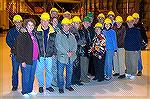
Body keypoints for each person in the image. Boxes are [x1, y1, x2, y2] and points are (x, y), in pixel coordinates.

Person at [16, 18, 38, 97]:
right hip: (26, 60)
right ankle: (24, 91)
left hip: (34, 59)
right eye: (29, 25)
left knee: (32, 76)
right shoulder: (22, 35)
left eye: (32, 25)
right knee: (26, 76)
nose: (31, 26)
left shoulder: (33, 34)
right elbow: (19, 50)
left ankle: (30, 90)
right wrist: (22, 61)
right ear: (25, 25)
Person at [55, 18, 77, 93]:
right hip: (62, 57)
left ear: (70, 26)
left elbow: (75, 45)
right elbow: (58, 45)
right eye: (65, 25)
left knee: (69, 72)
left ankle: (68, 85)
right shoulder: (59, 35)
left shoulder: (72, 35)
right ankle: (61, 87)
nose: (66, 27)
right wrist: (66, 52)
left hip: (71, 57)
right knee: (60, 73)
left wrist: (72, 52)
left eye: (68, 25)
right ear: (62, 26)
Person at [36, 12, 56, 93]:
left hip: (49, 55)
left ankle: (48, 85)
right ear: (40, 21)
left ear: (49, 21)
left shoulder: (53, 32)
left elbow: (55, 43)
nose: (44, 22)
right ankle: (41, 85)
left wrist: (54, 53)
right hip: (40, 55)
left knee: (49, 71)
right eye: (43, 20)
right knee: (39, 71)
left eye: (46, 20)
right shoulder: (36, 31)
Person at [6, 15, 23, 91]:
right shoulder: (11, 31)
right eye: (16, 22)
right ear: (14, 23)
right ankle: (15, 85)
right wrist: (13, 47)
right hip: (15, 54)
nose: (18, 23)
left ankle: (24, 84)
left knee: (24, 71)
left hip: (23, 55)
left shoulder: (24, 30)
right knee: (15, 70)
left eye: (20, 22)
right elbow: (8, 40)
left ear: (22, 22)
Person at [124, 16, 141, 80]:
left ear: (133, 22)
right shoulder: (127, 30)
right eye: (128, 22)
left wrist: (137, 49)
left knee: (133, 62)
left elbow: (138, 40)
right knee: (127, 61)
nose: (129, 23)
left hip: (134, 50)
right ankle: (128, 72)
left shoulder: (136, 30)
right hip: (127, 49)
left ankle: (133, 73)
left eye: (131, 21)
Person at [71, 16, 84, 86]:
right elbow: (76, 42)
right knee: (74, 66)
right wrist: (81, 42)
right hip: (74, 52)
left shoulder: (77, 30)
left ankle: (76, 80)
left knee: (76, 66)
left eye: (79, 23)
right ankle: (74, 80)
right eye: (76, 23)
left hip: (77, 51)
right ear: (73, 23)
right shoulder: (73, 31)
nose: (78, 25)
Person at [80, 16, 91, 83]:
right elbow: (83, 42)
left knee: (86, 64)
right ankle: (83, 78)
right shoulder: (82, 31)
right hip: (83, 51)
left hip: (87, 50)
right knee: (83, 65)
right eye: (85, 22)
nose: (86, 24)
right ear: (83, 23)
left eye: (88, 23)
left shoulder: (87, 30)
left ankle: (85, 76)